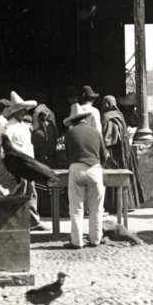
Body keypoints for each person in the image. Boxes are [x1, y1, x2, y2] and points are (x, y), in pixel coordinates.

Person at [64, 103, 108, 249]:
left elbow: (67, 156)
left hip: (76, 168)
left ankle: (77, 241)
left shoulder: (69, 134)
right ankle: (95, 239)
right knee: (96, 208)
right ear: (84, 118)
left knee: (76, 207)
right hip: (94, 169)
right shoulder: (96, 132)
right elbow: (104, 155)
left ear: (72, 121)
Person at [4, 91, 44, 230]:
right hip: (19, 165)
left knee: (31, 192)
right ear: (15, 111)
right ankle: (17, 222)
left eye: (24, 109)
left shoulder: (24, 126)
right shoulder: (9, 128)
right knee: (19, 193)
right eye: (21, 110)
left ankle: (34, 221)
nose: (24, 112)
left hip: (29, 163)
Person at [100, 95, 142, 209]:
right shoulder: (120, 115)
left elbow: (108, 138)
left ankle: (115, 205)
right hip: (125, 150)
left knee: (114, 176)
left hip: (113, 151)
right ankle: (128, 204)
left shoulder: (105, 117)